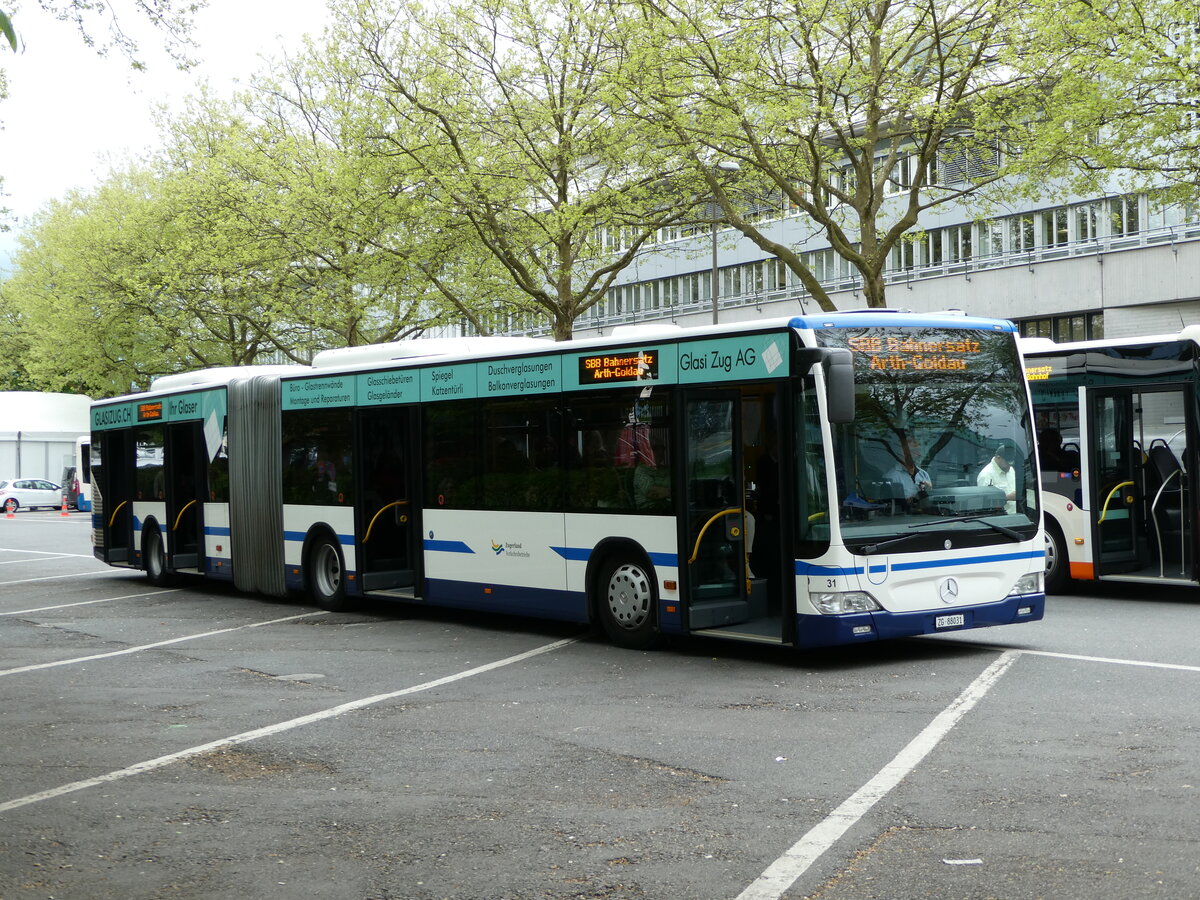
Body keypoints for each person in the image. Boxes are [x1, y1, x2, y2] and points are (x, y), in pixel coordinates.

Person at [886, 436, 932, 502]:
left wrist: (929, 489)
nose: (919, 454)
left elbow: (929, 500)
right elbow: (890, 503)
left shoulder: (924, 474)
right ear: (902, 452)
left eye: (919, 450)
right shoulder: (891, 477)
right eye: (915, 451)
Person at [978, 442, 1018, 514]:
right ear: (998, 458)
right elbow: (985, 504)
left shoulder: (1010, 469)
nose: (1010, 465)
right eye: (1007, 462)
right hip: (1000, 519)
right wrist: (1007, 497)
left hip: (1018, 517)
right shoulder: (986, 475)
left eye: (1011, 463)